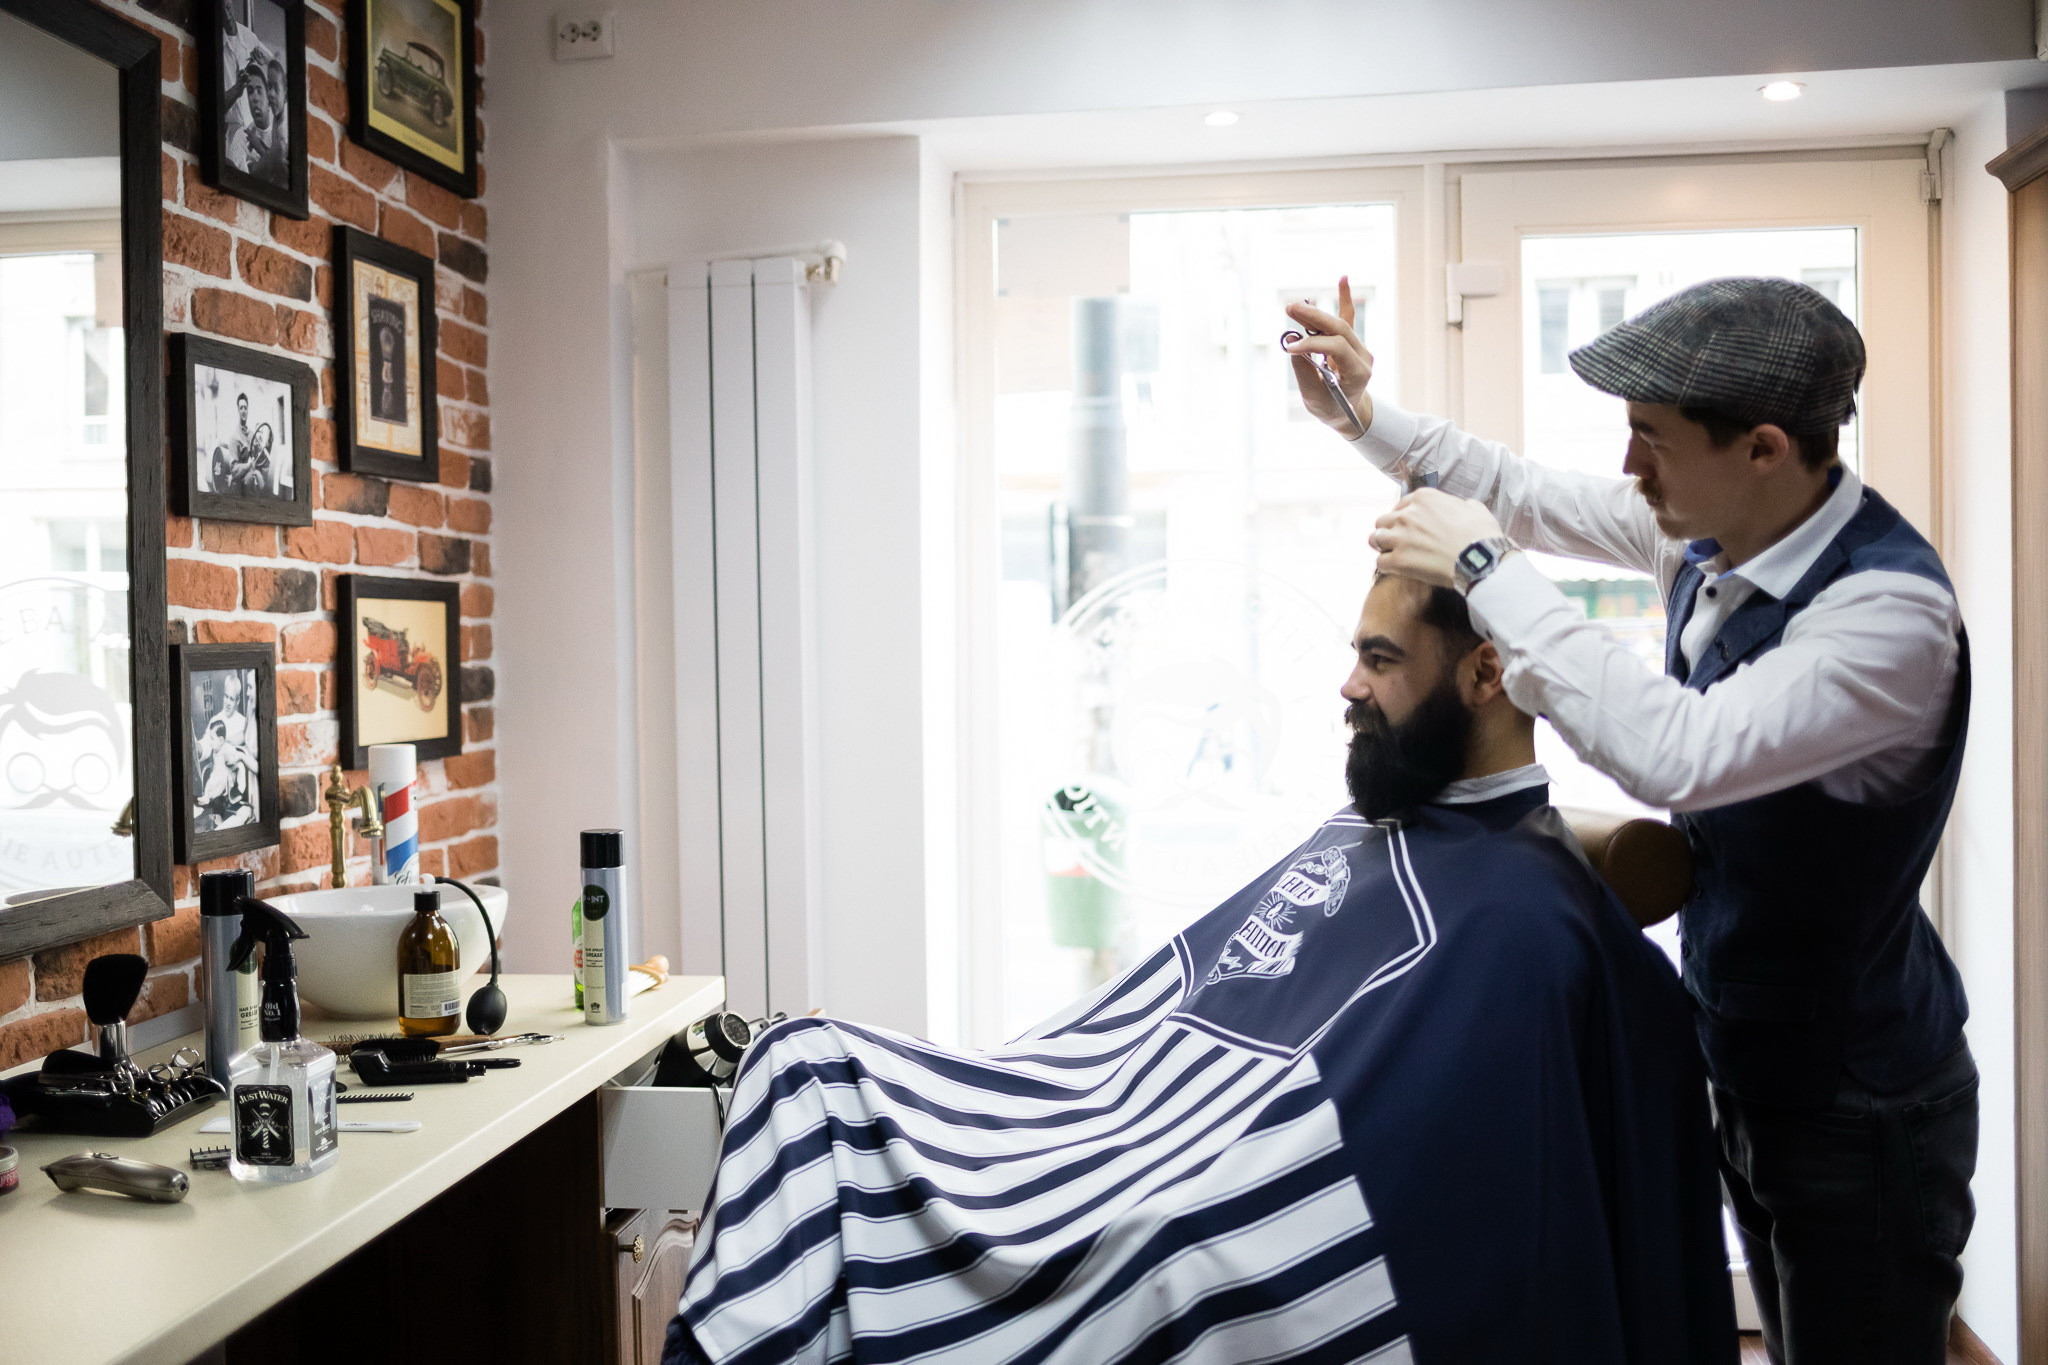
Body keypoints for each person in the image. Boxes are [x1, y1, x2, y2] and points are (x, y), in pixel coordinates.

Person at [663, 573, 1735, 1365]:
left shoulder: (1522, 921)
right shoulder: (1385, 830)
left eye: (1379, 658)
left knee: (1141, 1254)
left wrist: (1172, 1192)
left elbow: (1395, 1164)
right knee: (807, 1067)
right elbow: (1171, 1017)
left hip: (1185, 1201)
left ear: (1487, 673)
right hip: (1115, 1127)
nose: (1347, 683)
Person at [1285, 276, 1976, 1365]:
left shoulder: (1887, 616)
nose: (1628, 464)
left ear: (1762, 448)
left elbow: (1679, 754)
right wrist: (1363, 419)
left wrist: (1483, 569)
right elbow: (1515, 492)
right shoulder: (1710, 536)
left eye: (1650, 437)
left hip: (1863, 1097)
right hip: (1746, 1053)